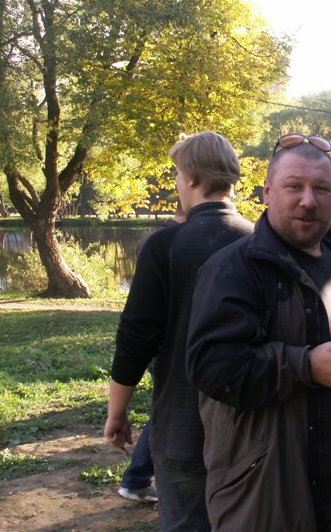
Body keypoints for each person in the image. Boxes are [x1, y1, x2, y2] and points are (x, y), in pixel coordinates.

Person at [185, 134, 331, 532]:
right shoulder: (236, 267)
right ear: (268, 192)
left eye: (321, 188)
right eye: (294, 186)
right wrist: (304, 365)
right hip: (284, 497)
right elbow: (212, 365)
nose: (309, 200)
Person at [104, 132, 253, 531]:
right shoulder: (260, 241)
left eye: (176, 174)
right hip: (252, 432)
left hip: (183, 428)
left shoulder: (165, 245)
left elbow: (136, 337)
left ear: (189, 178)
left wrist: (117, 412)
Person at [118, 205, 188, 503]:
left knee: (166, 407)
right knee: (168, 409)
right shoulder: (166, 242)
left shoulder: (156, 239)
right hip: (166, 344)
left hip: (161, 344)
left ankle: (136, 478)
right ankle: (136, 478)